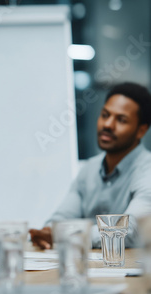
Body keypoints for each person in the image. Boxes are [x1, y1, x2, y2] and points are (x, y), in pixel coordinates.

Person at [30, 82, 151, 249]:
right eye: (105, 115)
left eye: (121, 120)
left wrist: (63, 236)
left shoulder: (147, 170)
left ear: (141, 131)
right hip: (87, 270)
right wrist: (48, 232)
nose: (108, 125)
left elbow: (131, 232)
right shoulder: (89, 168)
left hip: (131, 272)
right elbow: (61, 218)